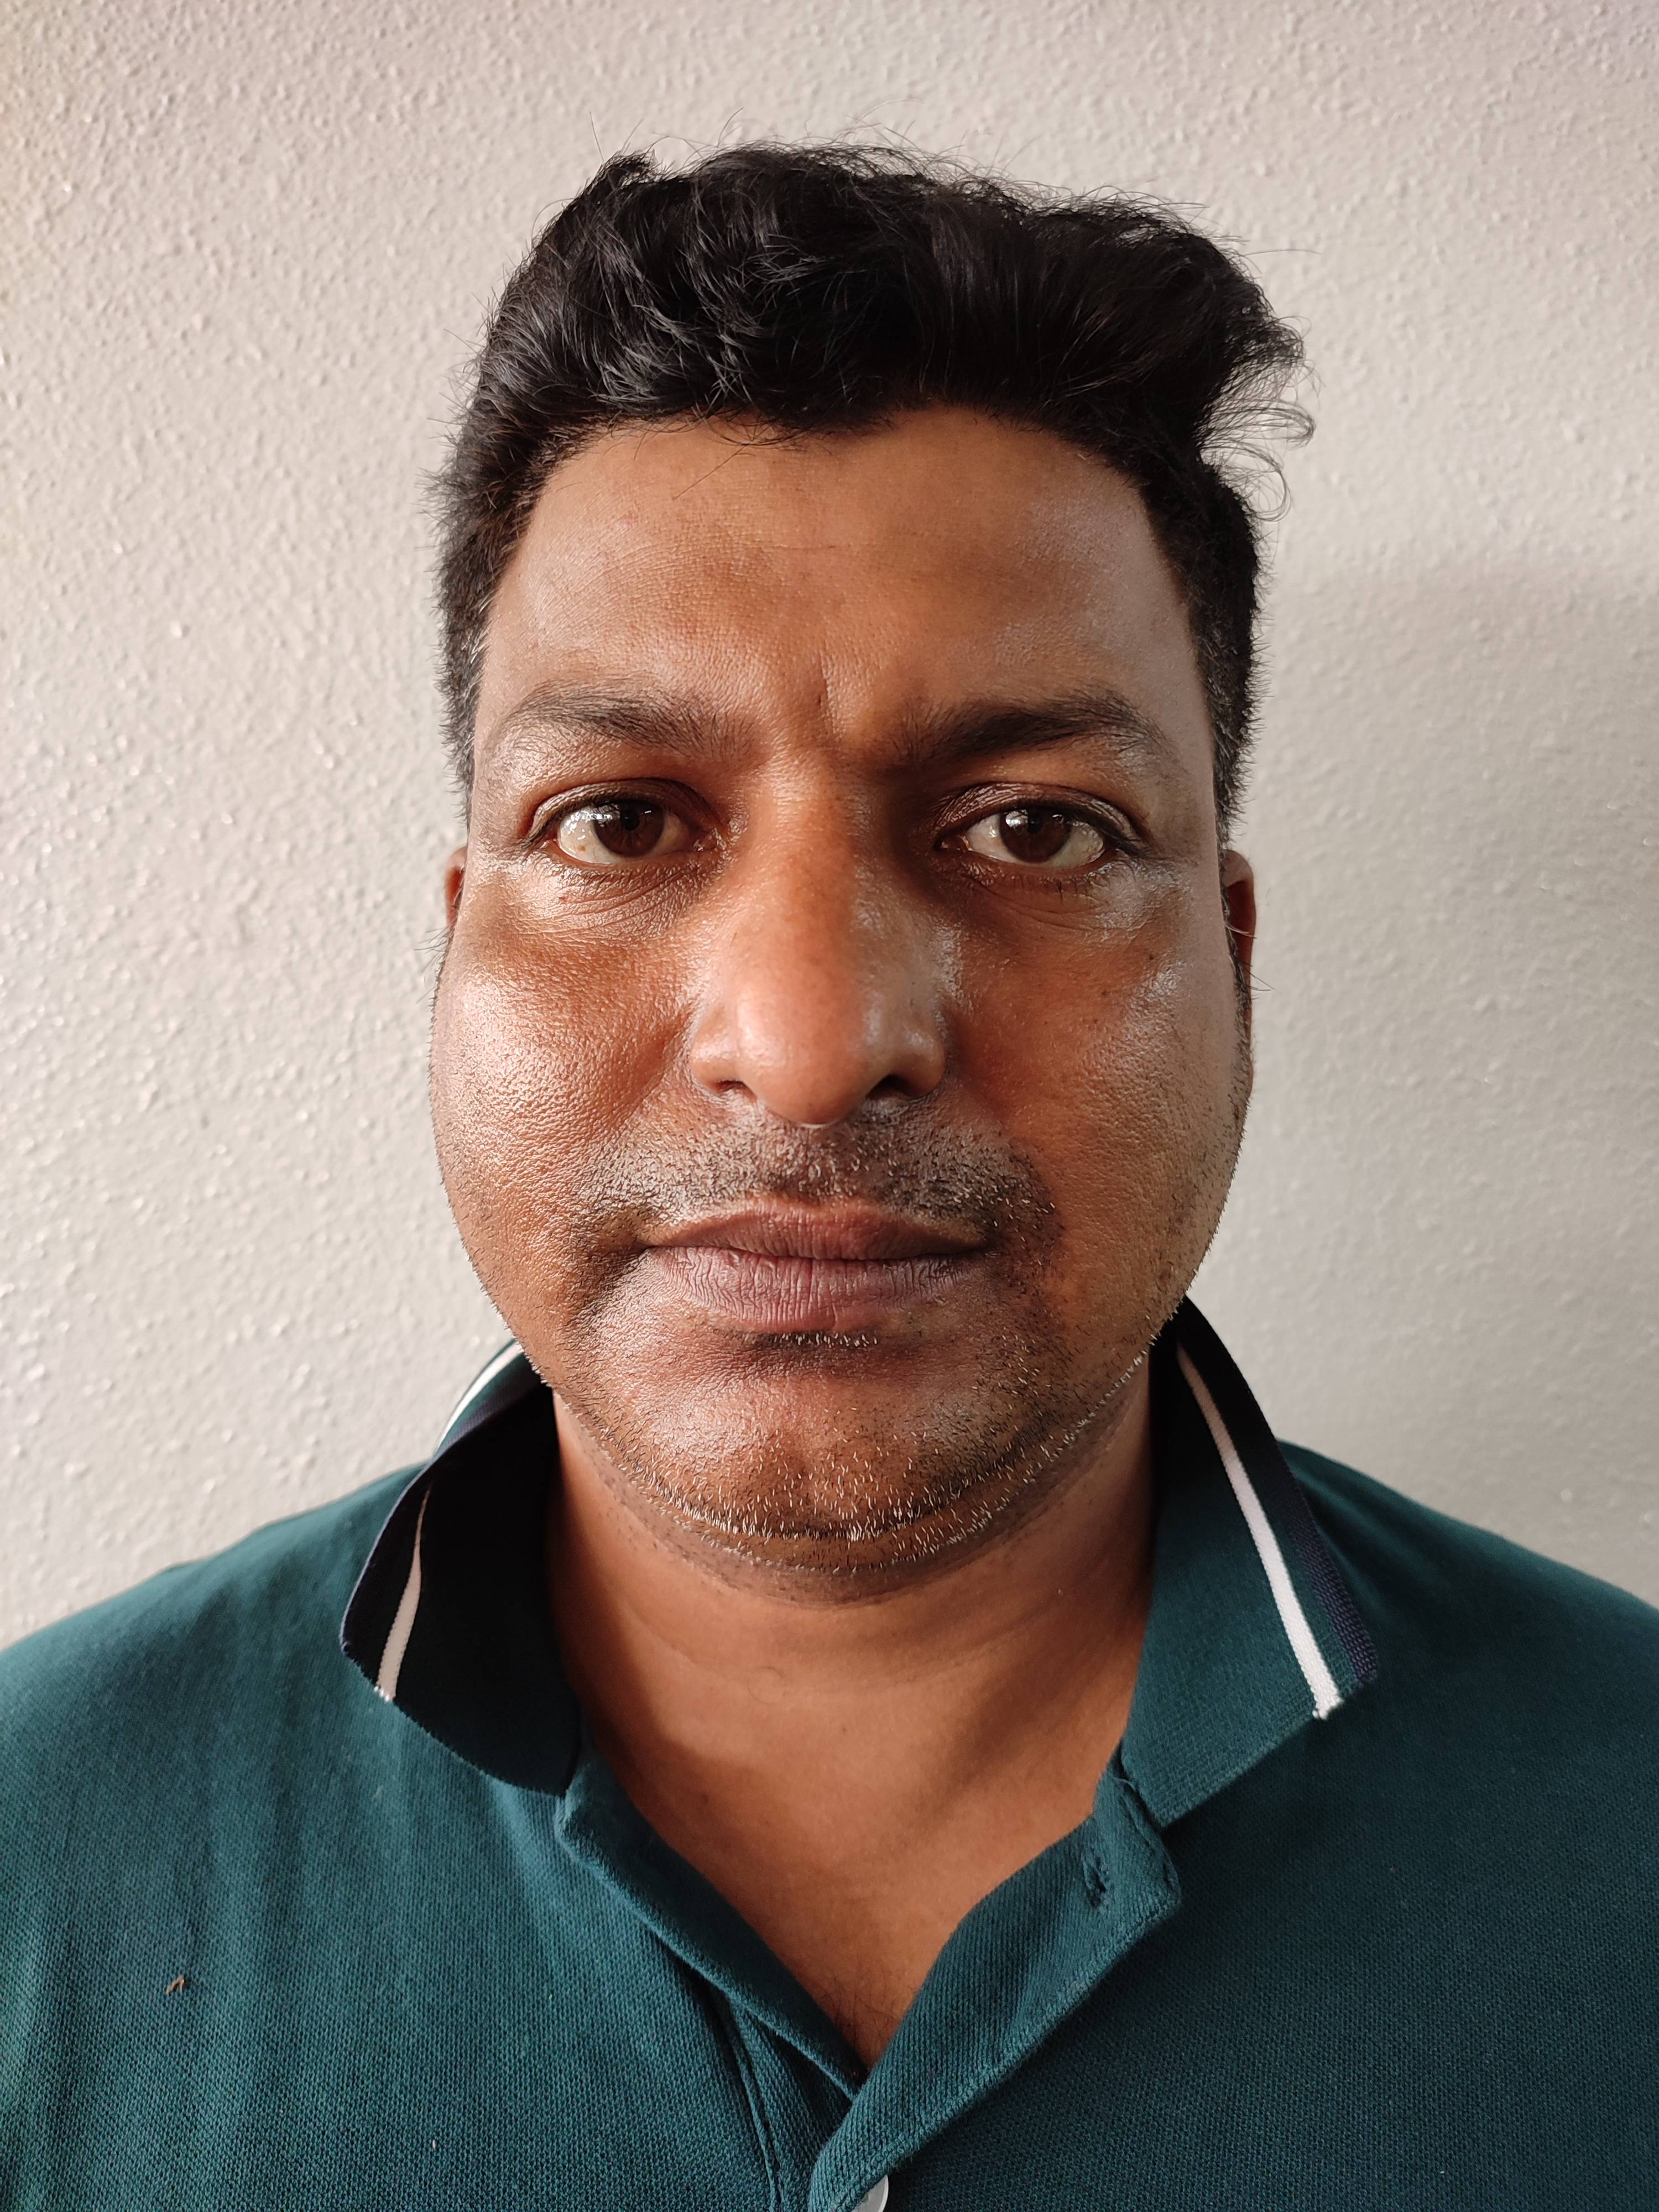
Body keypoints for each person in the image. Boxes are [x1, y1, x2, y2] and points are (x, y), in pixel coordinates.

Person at [2, 144, 1655, 2211]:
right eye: (619, 821)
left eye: (1035, 828)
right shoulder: (34, 1862)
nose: (806, 1036)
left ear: (1231, 959)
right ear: (458, 937)